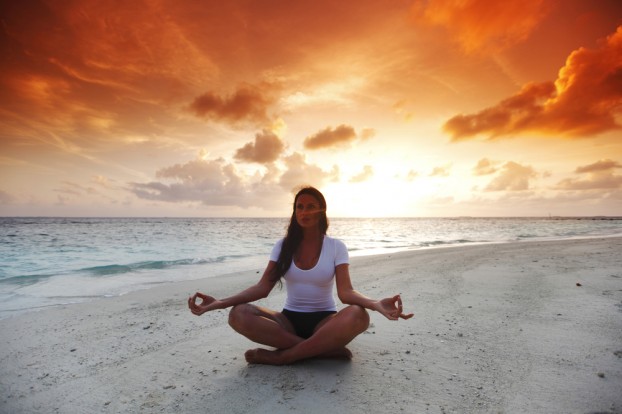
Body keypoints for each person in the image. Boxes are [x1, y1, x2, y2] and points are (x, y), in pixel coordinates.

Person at [188, 186, 413, 365]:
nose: (304, 212)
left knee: (359, 315)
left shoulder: (336, 247)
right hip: (287, 322)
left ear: (321, 211)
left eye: (311, 206)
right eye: (300, 207)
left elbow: (346, 293)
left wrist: (375, 304)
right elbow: (262, 288)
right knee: (238, 314)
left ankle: (284, 357)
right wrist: (220, 303)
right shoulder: (283, 246)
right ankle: (321, 350)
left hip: (325, 323)